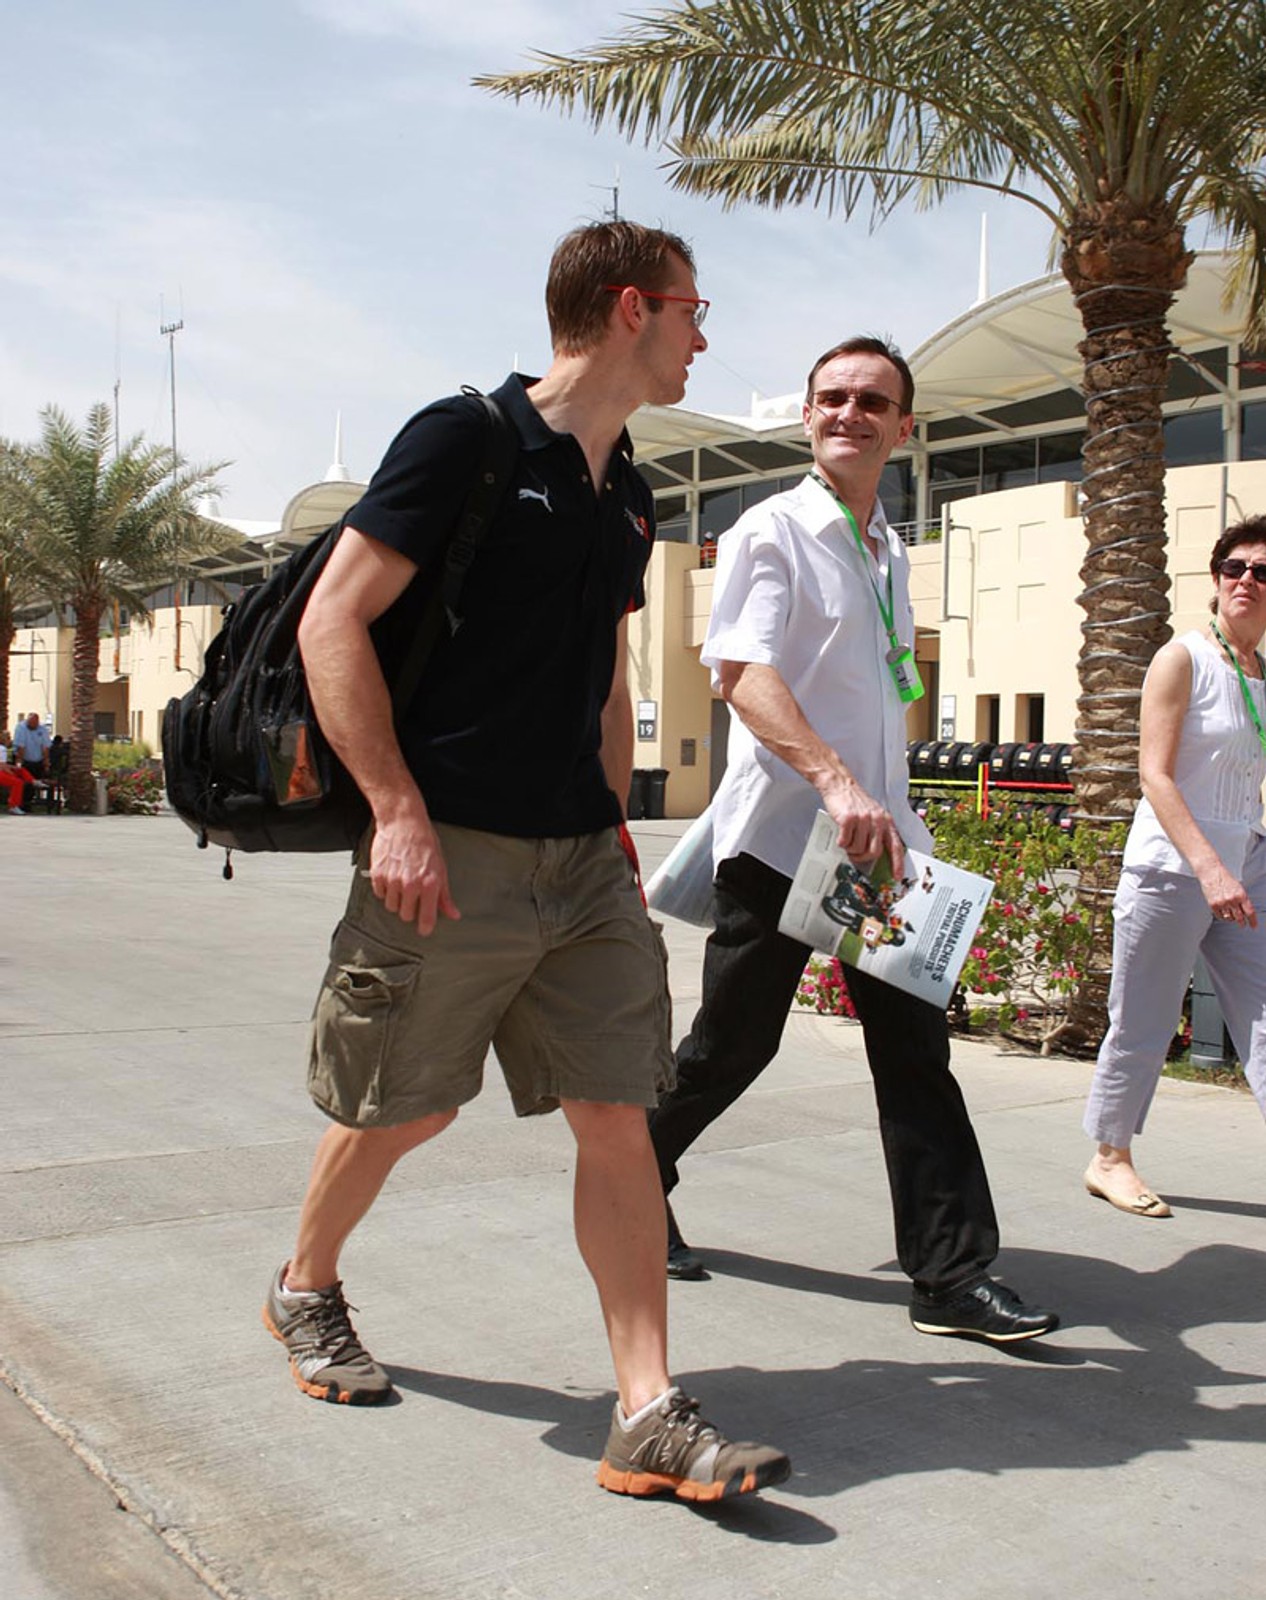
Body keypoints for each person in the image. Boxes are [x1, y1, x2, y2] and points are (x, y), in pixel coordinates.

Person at [262, 221, 789, 1503]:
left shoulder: (628, 490)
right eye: (689, 310)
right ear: (628, 310)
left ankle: (648, 1412)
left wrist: (615, 822)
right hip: (449, 846)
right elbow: (334, 620)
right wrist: (393, 810)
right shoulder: (468, 440)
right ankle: (304, 1285)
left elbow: (605, 671)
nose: (703, 336)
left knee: (617, 1112)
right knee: (406, 1106)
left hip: (581, 858)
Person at [649, 335, 1060, 1344]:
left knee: (917, 1055)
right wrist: (832, 778)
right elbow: (739, 670)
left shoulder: (889, 547)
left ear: (904, 427)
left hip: (878, 849)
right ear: (807, 415)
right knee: (730, 1047)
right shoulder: (769, 532)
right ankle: (631, 1173)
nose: (851, 413)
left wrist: (890, 810)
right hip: (783, 839)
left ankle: (950, 1275)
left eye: (873, 401)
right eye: (833, 397)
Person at [1083, 516, 1266, 1216]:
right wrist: (1210, 870)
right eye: (1235, 568)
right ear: (1217, 581)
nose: (1247, 579)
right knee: (1145, 1018)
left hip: (1247, 861)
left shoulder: (1261, 673)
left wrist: (1238, 863)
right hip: (1174, 868)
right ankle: (1110, 1156)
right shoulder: (1183, 657)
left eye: (1262, 571)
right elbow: (1154, 777)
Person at [13, 711, 51, 780]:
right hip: (25, 761)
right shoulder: (21, 728)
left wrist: (46, 763)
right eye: (30, 723)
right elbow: (21, 747)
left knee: (38, 781)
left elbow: (45, 747)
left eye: (34, 723)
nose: (32, 725)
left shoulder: (43, 729)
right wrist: (19, 763)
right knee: (26, 784)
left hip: (38, 761)